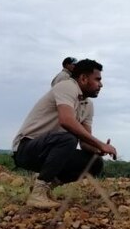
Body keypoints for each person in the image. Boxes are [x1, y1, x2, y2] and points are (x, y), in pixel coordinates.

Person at [13, 58, 117, 209]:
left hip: (52, 151)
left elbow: (85, 143)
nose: (101, 84)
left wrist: (98, 149)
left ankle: (43, 188)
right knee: (68, 137)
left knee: (95, 163)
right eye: (97, 79)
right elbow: (66, 121)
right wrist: (99, 143)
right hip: (26, 149)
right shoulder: (67, 86)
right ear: (83, 78)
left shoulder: (87, 105)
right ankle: (38, 194)